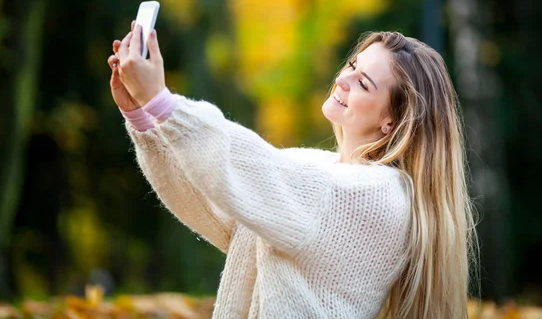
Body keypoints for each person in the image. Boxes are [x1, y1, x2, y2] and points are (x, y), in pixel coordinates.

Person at [106, 21, 479, 318]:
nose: (343, 80)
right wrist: (142, 116)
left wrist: (162, 101)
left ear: (392, 121)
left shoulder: (376, 195)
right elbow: (215, 204)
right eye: (352, 66)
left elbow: (247, 166)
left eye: (363, 83)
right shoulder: (319, 169)